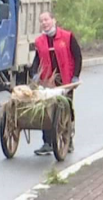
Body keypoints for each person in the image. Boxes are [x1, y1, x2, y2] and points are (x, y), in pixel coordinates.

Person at [31, 12, 83, 156]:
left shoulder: (67, 37)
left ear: (53, 20)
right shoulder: (40, 41)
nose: (44, 23)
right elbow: (37, 60)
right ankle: (47, 142)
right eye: (41, 21)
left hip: (65, 81)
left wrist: (75, 76)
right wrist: (35, 74)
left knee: (65, 108)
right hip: (48, 82)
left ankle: (68, 139)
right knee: (45, 110)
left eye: (46, 20)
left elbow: (77, 56)